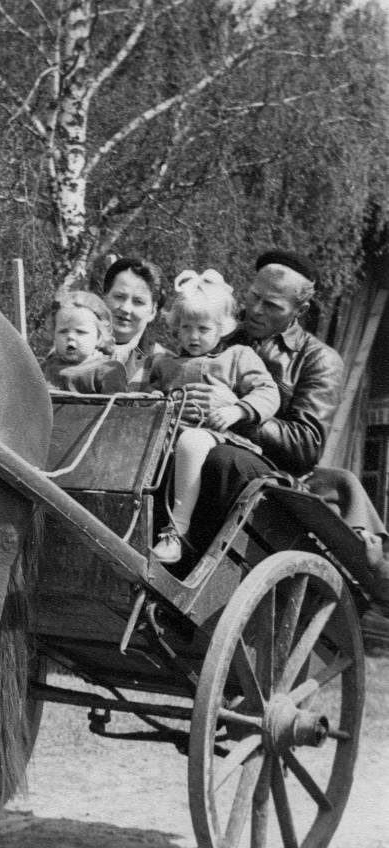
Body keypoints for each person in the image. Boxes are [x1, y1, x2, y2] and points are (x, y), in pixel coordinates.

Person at [179, 249, 389, 598]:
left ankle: (192, 571)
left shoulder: (318, 359)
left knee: (224, 460)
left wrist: (239, 412)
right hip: (200, 446)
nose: (256, 310)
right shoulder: (218, 334)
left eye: (272, 305)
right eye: (253, 296)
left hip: (270, 475)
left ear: (299, 310)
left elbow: (306, 445)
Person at [147, 269, 280, 563]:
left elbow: (268, 392)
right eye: (186, 327)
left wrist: (238, 409)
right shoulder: (164, 363)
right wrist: (154, 400)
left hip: (215, 434)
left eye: (203, 329)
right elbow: (147, 395)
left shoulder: (236, 357)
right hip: (168, 434)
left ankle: (176, 531)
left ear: (223, 328)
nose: (193, 336)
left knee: (192, 442)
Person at [101, 256, 175, 388]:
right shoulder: (74, 346)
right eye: (119, 296)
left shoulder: (165, 363)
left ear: (153, 311)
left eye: (138, 302)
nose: (125, 308)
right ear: (104, 297)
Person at [42, 290, 128, 393]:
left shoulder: (107, 370)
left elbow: (116, 402)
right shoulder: (45, 369)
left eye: (80, 332)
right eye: (63, 331)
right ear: (54, 334)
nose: (70, 336)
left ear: (99, 337)